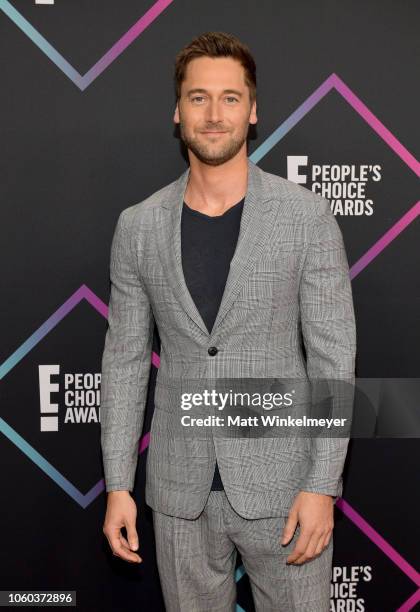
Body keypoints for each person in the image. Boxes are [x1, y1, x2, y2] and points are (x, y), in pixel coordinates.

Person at [100, 31, 357, 612]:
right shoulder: (138, 227)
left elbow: (333, 361)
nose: (214, 114)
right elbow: (124, 363)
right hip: (177, 492)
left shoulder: (305, 218)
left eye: (230, 98)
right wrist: (119, 485)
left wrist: (320, 485)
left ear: (253, 110)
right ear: (177, 111)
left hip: (286, 486)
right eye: (198, 98)